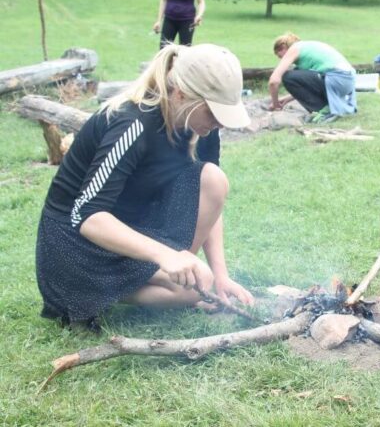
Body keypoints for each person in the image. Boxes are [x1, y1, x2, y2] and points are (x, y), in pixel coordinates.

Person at [36, 43, 255, 331]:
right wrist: (165, 255)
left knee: (213, 179)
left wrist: (221, 275)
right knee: (188, 285)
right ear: (182, 95)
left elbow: (210, 197)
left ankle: (168, 277)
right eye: (214, 113)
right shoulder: (132, 124)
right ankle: (85, 292)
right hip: (74, 244)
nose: (219, 124)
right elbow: (87, 217)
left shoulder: (202, 127)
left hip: (134, 225)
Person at [268, 33, 357, 124]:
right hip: (346, 82)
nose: (280, 59)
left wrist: (276, 105)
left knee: (288, 76)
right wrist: (288, 98)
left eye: (279, 55)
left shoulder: (294, 49)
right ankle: (331, 106)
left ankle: (324, 110)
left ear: (283, 47)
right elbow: (308, 83)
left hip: (336, 78)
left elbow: (273, 81)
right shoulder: (307, 48)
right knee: (296, 72)